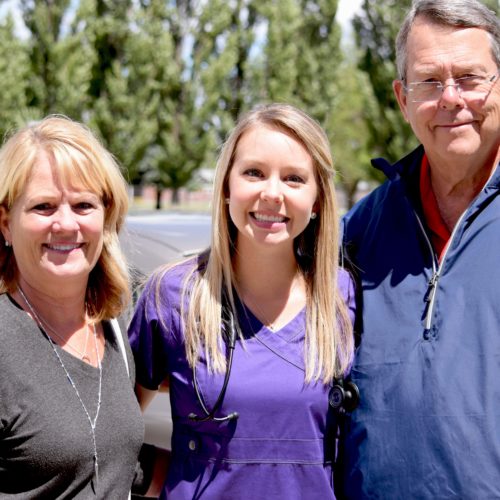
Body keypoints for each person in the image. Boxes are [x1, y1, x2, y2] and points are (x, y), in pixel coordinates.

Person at [128, 103, 356, 499]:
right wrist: (168, 480)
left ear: (318, 199)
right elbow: (108, 428)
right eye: (254, 172)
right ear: (226, 186)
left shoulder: (342, 297)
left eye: (294, 179)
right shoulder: (172, 295)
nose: (272, 193)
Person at [337, 0, 500, 498]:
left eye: (471, 78)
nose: (451, 99)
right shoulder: (362, 228)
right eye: (429, 81)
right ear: (402, 98)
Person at [0, 116, 144, 498]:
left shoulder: (115, 326)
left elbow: (120, 469)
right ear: (5, 223)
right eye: (44, 207)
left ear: (105, 217)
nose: (66, 224)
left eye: (83, 205)